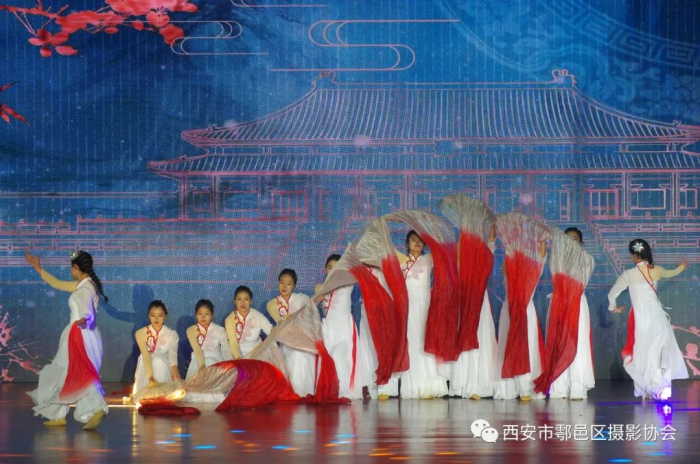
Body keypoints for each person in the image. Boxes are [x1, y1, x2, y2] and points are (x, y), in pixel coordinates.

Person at [24, 250, 108, 430]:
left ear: (76, 267)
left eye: (71, 268)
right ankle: (58, 414)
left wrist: (84, 320)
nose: (70, 271)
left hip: (78, 335)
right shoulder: (83, 285)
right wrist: (38, 268)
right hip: (79, 334)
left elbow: (88, 312)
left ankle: (96, 408)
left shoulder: (86, 288)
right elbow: (57, 283)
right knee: (65, 373)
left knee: (79, 372)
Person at [608, 239, 689, 400]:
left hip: (640, 318)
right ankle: (660, 387)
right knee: (659, 350)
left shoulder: (628, 274)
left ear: (633, 256)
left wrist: (613, 308)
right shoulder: (657, 270)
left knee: (642, 351)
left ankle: (646, 389)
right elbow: (672, 272)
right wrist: (681, 267)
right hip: (657, 315)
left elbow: (612, 294)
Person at [396, 231, 448, 399]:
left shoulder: (428, 259)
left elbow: (441, 250)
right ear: (407, 243)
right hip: (408, 304)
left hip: (426, 304)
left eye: (420, 241)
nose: (417, 243)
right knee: (411, 341)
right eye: (413, 240)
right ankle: (413, 386)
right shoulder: (401, 260)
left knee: (426, 340)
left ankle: (429, 386)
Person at [547, 227, 595, 400]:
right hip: (559, 303)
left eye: (574, 239)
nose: (570, 242)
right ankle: (559, 387)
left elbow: (579, 282)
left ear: (580, 242)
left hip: (576, 302)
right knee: (559, 342)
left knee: (577, 342)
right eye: (567, 239)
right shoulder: (557, 260)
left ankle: (577, 386)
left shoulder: (586, 259)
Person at [316, 255, 362, 399]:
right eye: (330, 267)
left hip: (344, 331)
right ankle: (331, 391)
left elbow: (357, 273)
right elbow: (313, 302)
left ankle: (344, 391)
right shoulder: (320, 287)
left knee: (339, 356)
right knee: (328, 361)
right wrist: (318, 297)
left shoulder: (347, 284)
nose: (333, 270)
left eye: (337, 267)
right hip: (328, 332)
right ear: (325, 269)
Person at [266, 269, 316, 396]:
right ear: (278, 283)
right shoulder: (272, 304)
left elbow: (309, 310)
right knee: (295, 355)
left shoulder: (302, 299)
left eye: (289, 283)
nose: (284, 286)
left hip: (302, 339)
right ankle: (294, 392)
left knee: (303, 354)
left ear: (294, 285)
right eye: (282, 282)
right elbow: (280, 322)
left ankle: (306, 392)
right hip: (286, 342)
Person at [133, 300, 180, 395]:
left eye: (160, 315)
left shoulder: (172, 334)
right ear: (148, 316)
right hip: (146, 363)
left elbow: (172, 355)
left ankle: (163, 392)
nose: (156, 319)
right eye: (153, 315)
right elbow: (146, 355)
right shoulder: (140, 333)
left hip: (163, 362)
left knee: (158, 360)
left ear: (165, 316)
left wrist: (175, 376)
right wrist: (150, 377)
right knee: (151, 360)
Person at [186, 299, 232, 376]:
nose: (203, 317)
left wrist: (231, 363)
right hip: (198, 360)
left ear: (212, 315)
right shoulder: (191, 330)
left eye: (207, 314)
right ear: (196, 315)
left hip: (215, 358)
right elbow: (196, 349)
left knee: (210, 362)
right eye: (200, 313)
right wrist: (202, 365)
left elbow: (225, 348)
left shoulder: (219, 329)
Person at [225, 286, 272, 358]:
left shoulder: (257, 315)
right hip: (236, 355)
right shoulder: (230, 319)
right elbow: (233, 343)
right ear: (235, 301)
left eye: (246, 299)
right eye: (239, 299)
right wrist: (238, 358)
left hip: (257, 352)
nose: (242, 302)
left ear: (251, 301)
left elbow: (270, 331)